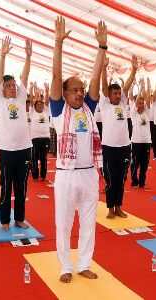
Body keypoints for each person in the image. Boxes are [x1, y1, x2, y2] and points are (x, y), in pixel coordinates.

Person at [50, 16, 105, 283]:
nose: (80, 93)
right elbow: (56, 75)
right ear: (64, 93)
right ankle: (65, 266)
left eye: (82, 90)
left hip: (88, 173)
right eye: (75, 90)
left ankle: (84, 263)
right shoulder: (59, 111)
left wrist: (101, 48)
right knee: (64, 224)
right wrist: (58, 43)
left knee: (89, 221)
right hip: (66, 174)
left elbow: (96, 78)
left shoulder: (89, 109)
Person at [0, 36, 32, 231]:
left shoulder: (20, 98)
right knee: (6, 187)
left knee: (21, 187)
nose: (12, 88)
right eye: (8, 86)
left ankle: (19, 218)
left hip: (25, 150)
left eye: (13, 86)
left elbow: (24, 77)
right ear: (2, 89)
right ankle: (3, 220)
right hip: (7, 151)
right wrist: (2, 55)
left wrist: (28, 57)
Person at [99, 54, 137, 218]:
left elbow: (127, 86)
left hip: (124, 147)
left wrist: (134, 70)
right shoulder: (105, 104)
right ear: (109, 94)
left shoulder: (122, 103)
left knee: (121, 179)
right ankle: (109, 208)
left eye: (119, 93)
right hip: (109, 148)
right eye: (114, 93)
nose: (117, 95)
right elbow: (104, 85)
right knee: (110, 179)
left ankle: (118, 206)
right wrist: (103, 69)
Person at [130, 78, 152, 188]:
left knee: (144, 164)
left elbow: (148, 98)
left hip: (146, 142)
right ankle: (134, 181)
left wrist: (147, 86)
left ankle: (142, 182)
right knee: (135, 163)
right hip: (136, 142)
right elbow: (138, 98)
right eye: (139, 103)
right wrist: (140, 88)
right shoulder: (133, 113)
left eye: (142, 103)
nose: (141, 104)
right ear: (136, 104)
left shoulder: (147, 112)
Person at [30, 87, 51, 181]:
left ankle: (43, 176)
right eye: (38, 105)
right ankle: (35, 176)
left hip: (45, 138)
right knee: (34, 158)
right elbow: (31, 100)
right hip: (35, 138)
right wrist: (31, 89)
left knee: (44, 158)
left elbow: (46, 101)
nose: (40, 106)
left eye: (41, 105)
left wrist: (46, 90)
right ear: (35, 107)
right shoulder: (32, 112)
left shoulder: (46, 111)